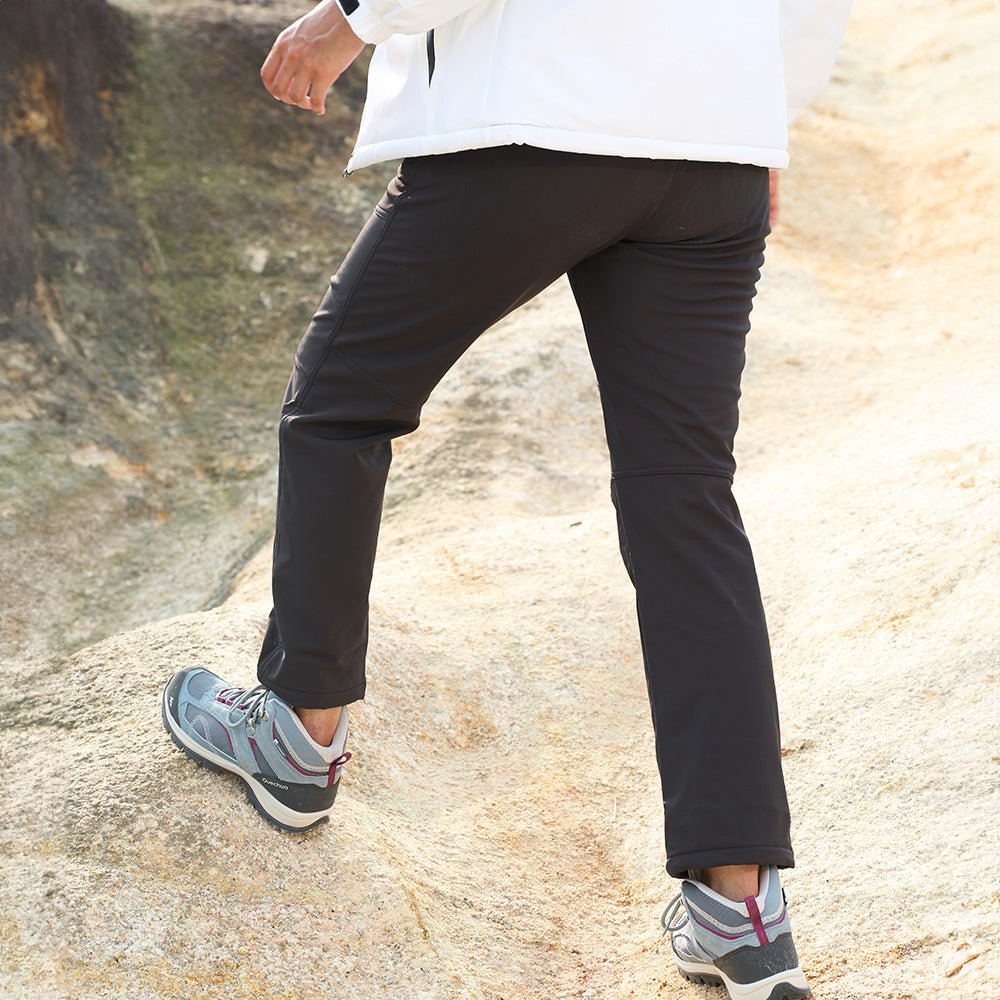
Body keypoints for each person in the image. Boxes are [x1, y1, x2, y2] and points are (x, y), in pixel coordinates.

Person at [161, 2, 851, 997]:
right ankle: (738, 907)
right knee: (684, 495)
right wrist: (759, 115)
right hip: (714, 144)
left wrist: (351, 21)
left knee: (339, 406)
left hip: (539, 114)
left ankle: (297, 732)